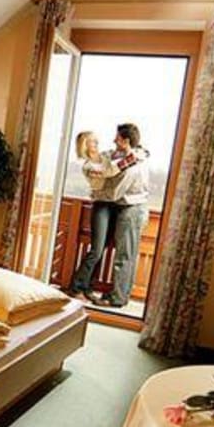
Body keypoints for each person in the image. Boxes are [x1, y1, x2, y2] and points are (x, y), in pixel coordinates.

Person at [68, 125, 147, 305]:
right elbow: (110, 171)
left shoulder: (105, 156)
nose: (96, 144)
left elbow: (121, 155)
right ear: (85, 146)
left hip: (114, 206)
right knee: (96, 250)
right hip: (101, 206)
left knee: (103, 249)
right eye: (92, 142)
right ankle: (76, 287)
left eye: (96, 141)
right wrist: (133, 157)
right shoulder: (89, 166)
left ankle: (88, 287)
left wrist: (141, 152)